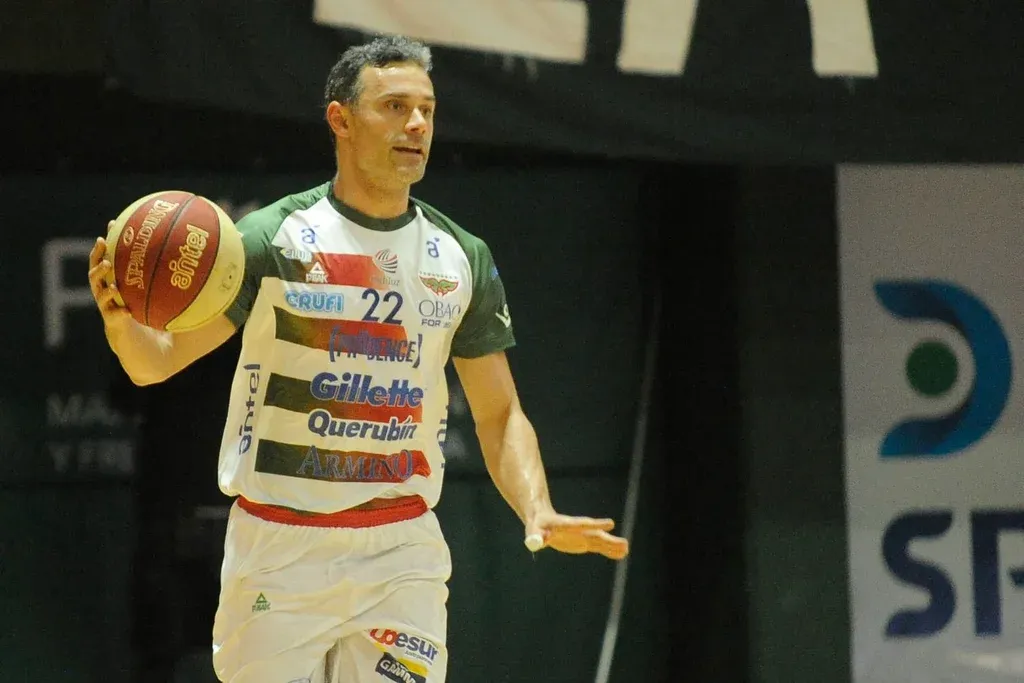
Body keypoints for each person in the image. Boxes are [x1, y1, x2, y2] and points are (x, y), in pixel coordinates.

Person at [88, 34, 629, 683]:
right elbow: (155, 364)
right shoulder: (271, 238)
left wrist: (536, 508)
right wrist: (120, 321)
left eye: (427, 109)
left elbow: (501, 413)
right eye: (395, 106)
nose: (418, 124)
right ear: (340, 119)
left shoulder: (462, 257)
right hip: (277, 548)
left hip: (399, 549)